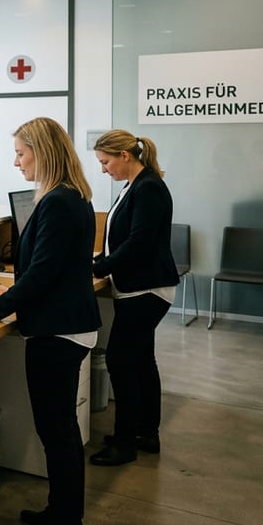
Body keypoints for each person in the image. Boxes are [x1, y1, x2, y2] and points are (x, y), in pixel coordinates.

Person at [0, 117, 100, 525]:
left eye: (21, 152)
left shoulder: (57, 200)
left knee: (56, 431)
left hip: (58, 331)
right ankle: (63, 510)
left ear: (43, 152)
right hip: (68, 322)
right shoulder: (73, 196)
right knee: (60, 429)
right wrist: (10, 296)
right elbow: (48, 270)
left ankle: (65, 518)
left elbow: (42, 273)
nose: (16, 161)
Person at [88, 130, 178, 467]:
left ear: (126, 155)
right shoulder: (136, 185)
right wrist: (102, 262)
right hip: (138, 286)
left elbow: (139, 242)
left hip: (147, 289)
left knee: (120, 361)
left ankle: (125, 444)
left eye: (106, 162)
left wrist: (99, 268)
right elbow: (124, 237)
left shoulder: (149, 187)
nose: (103, 169)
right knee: (140, 360)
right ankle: (145, 432)